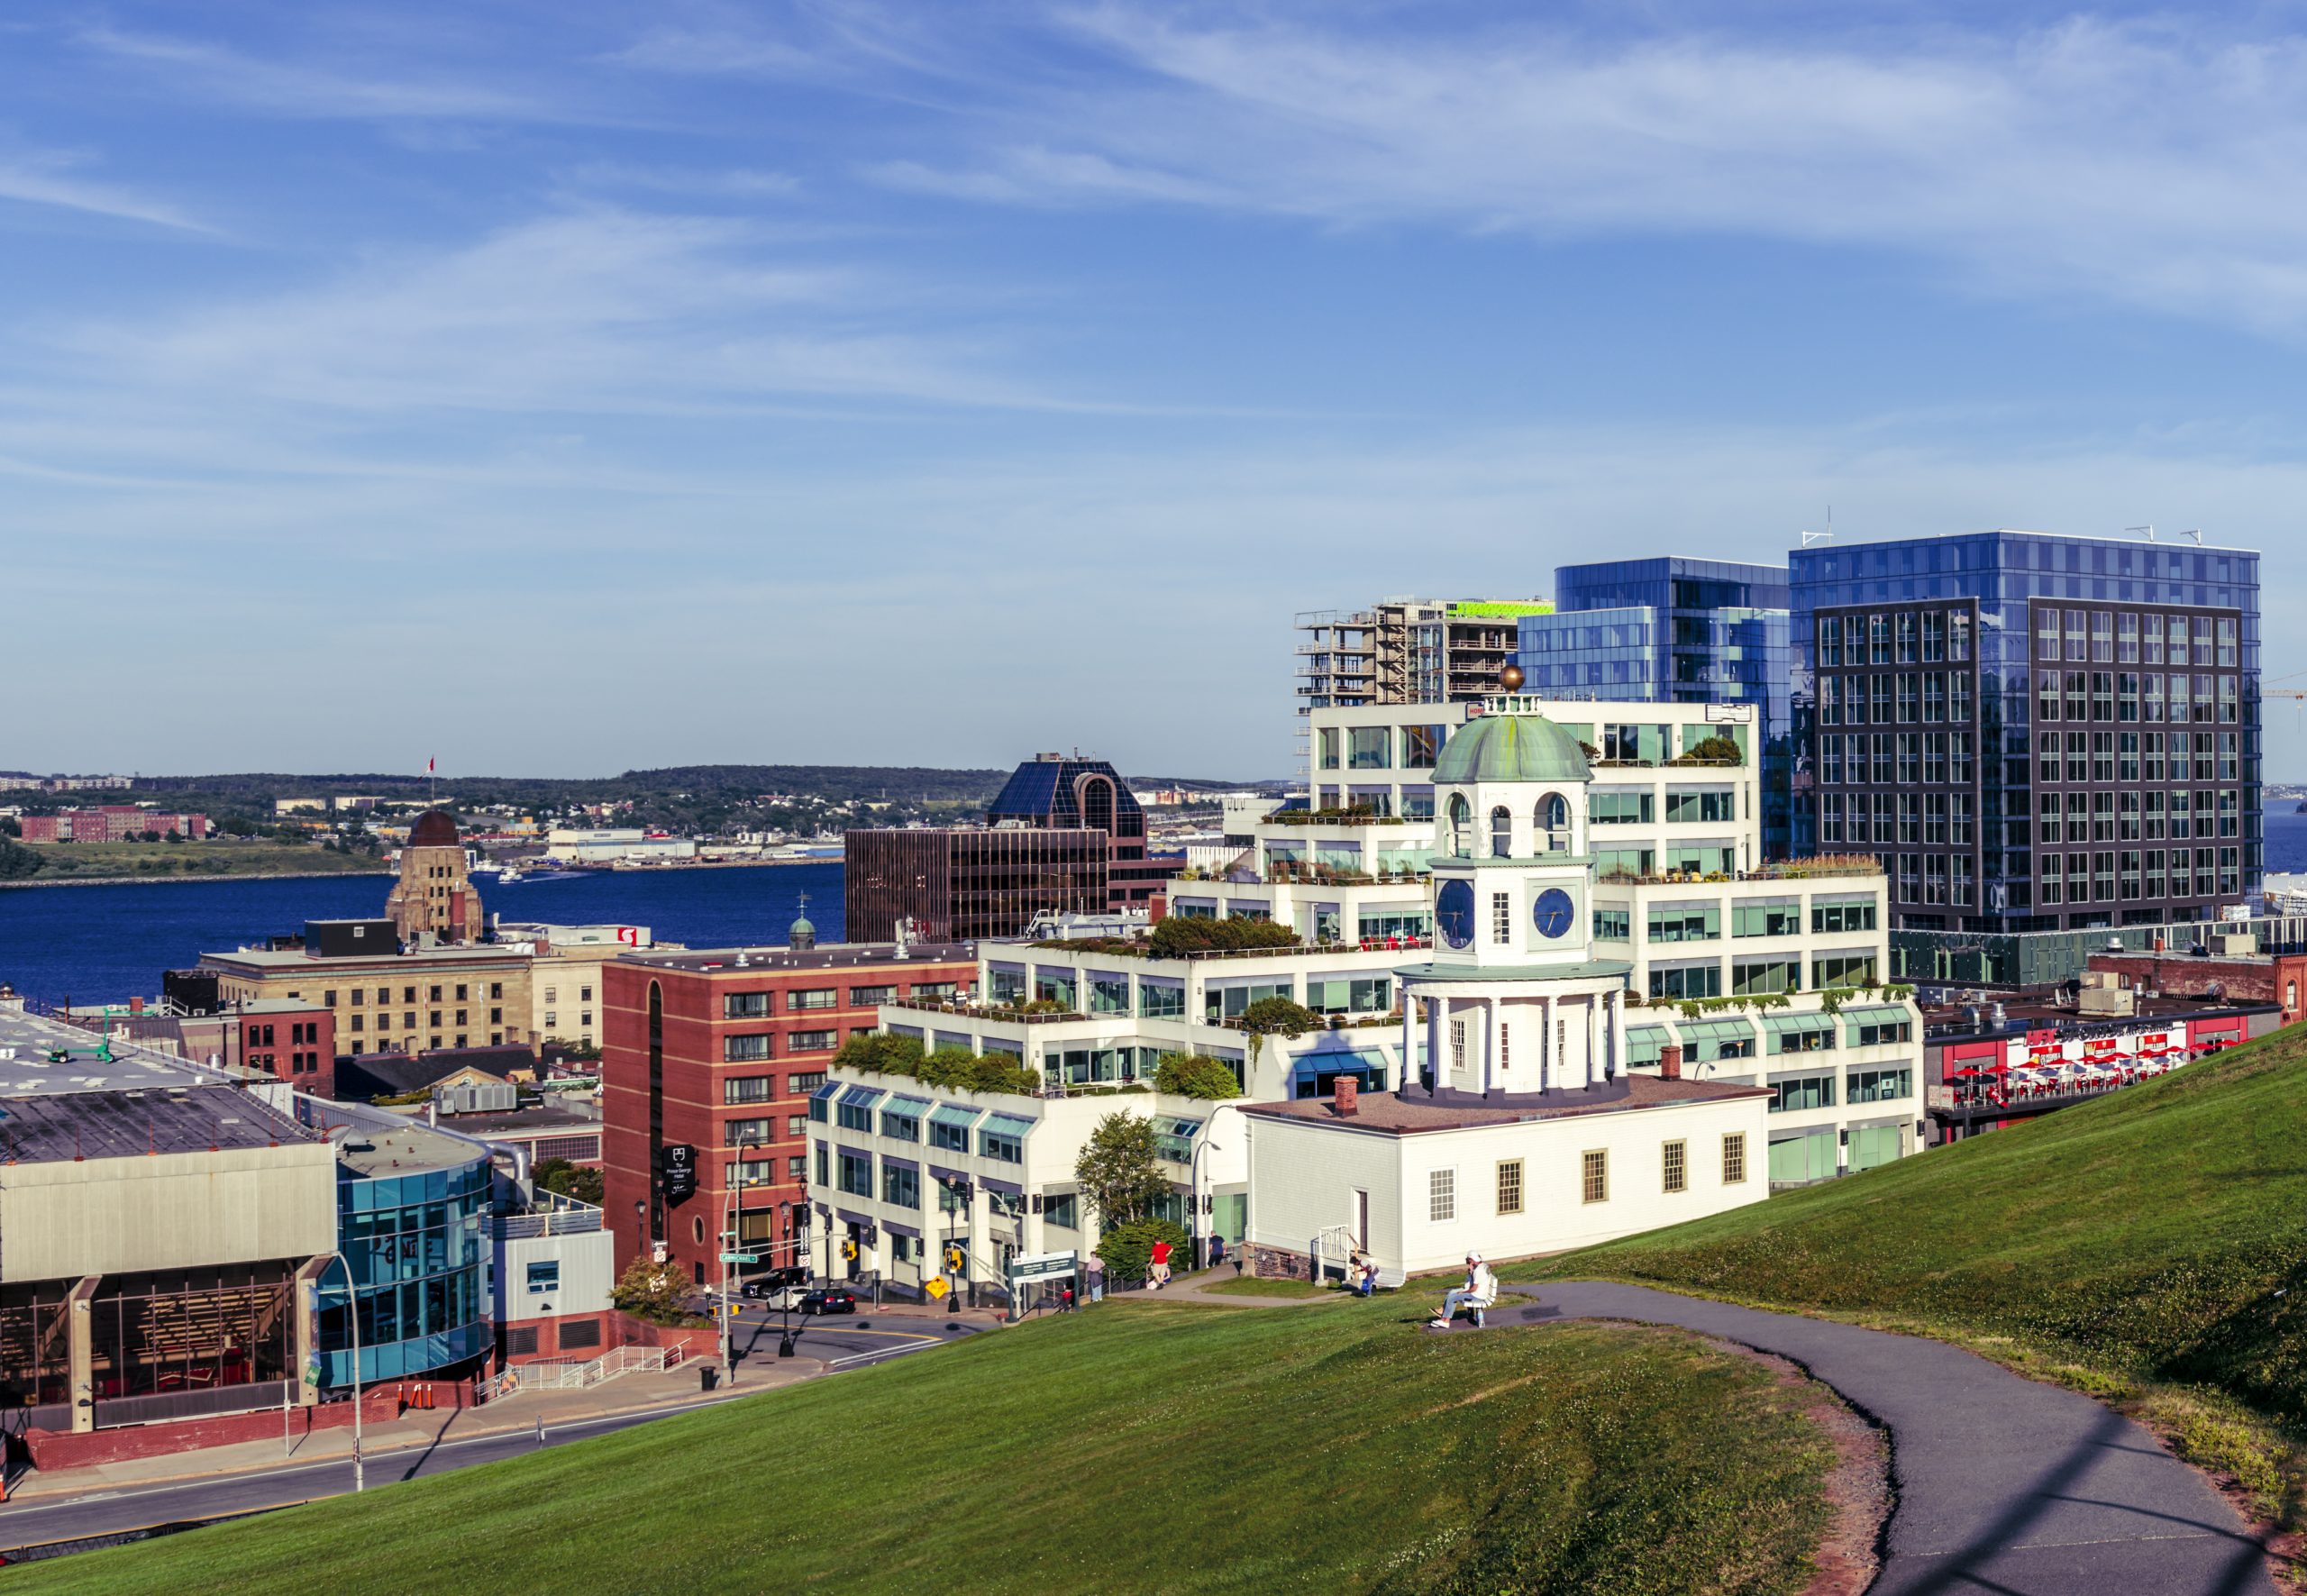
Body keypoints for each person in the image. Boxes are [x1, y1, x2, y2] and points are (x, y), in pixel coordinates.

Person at [1429, 1252, 1497, 1329]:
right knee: (1452, 1292)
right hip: (1481, 1293)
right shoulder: (1484, 1266)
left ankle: (1445, 1321)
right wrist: (1471, 1272)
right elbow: (1475, 1283)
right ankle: (1443, 1314)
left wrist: (1463, 1292)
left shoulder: (1478, 1271)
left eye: (1468, 1260)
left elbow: (1473, 1288)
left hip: (1477, 1296)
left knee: (1452, 1297)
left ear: (1471, 1260)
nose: (1467, 1261)